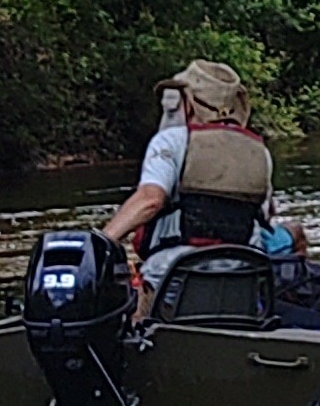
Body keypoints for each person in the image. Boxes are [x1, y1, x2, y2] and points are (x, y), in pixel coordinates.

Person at [103, 62, 277, 314]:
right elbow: (266, 215)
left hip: (172, 278)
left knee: (125, 317)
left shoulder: (172, 140)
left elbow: (150, 200)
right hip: (243, 279)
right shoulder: (259, 151)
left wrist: (101, 242)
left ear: (188, 102)